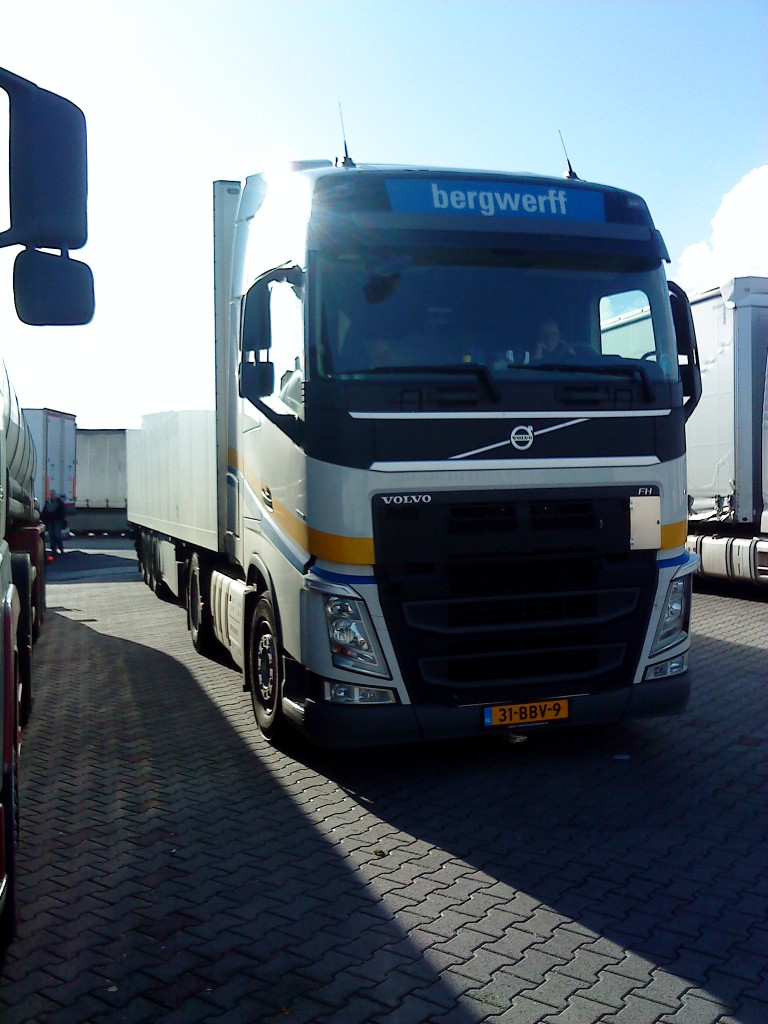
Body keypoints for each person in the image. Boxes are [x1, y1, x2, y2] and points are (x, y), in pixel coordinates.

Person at [42, 489, 67, 557]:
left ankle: (60, 548)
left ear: (55, 495)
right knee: (51, 535)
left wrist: (61, 519)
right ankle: (54, 549)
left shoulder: (59, 502)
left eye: (53, 494)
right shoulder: (48, 503)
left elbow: (63, 512)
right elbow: (44, 513)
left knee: (56, 534)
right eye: (51, 495)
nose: (52, 496)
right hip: (51, 521)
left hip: (57, 521)